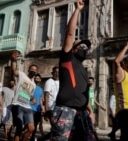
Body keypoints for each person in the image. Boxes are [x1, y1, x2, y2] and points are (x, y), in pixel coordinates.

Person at [50, 0, 95, 140]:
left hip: (83, 114)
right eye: (82, 46)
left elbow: (83, 93)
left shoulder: (83, 69)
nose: (85, 49)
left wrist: (91, 111)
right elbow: (70, 34)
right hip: (65, 110)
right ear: (74, 49)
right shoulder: (67, 59)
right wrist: (77, 10)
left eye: (86, 48)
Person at [11, 51, 36, 141]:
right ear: (28, 70)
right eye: (32, 70)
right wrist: (13, 60)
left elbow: (30, 95)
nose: (33, 71)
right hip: (18, 104)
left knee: (31, 129)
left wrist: (32, 98)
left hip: (27, 106)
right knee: (19, 128)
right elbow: (14, 71)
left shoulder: (34, 84)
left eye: (35, 70)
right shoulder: (22, 75)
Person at [38, 66, 59, 141]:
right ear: (52, 73)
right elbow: (46, 96)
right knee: (55, 128)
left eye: (58, 72)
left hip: (59, 108)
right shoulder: (49, 82)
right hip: (51, 108)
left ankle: (42, 139)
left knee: (57, 128)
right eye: (55, 72)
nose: (57, 73)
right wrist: (46, 110)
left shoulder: (61, 82)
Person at [30, 74, 44, 141]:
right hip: (31, 108)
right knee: (30, 125)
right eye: (35, 78)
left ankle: (32, 137)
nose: (36, 79)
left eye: (38, 78)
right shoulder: (31, 86)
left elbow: (41, 99)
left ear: (40, 80)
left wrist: (42, 108)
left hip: (38, 110)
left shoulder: (41, 89)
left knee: (35, 125)